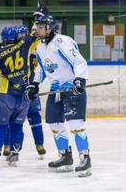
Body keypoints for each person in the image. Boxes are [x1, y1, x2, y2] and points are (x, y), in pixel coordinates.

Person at [26, 15, 92, 177]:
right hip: (55, 90)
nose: (37, 29)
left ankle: (85, 158)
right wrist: (34, 84)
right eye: (37, 27)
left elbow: (79, 62)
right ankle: (65, 156)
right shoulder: (39, 47)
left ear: (49, 28)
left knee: (76, 124)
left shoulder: (62, 41)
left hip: (71, 88)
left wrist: (79, 79)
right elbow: (41, 69)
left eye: (40, 27)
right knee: (54, 123)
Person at [0, 26, 38, 169]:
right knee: (17, 125)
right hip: (24, 97)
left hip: (5, 96)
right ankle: (15, 153)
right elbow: (34, 36)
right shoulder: (24, 46)